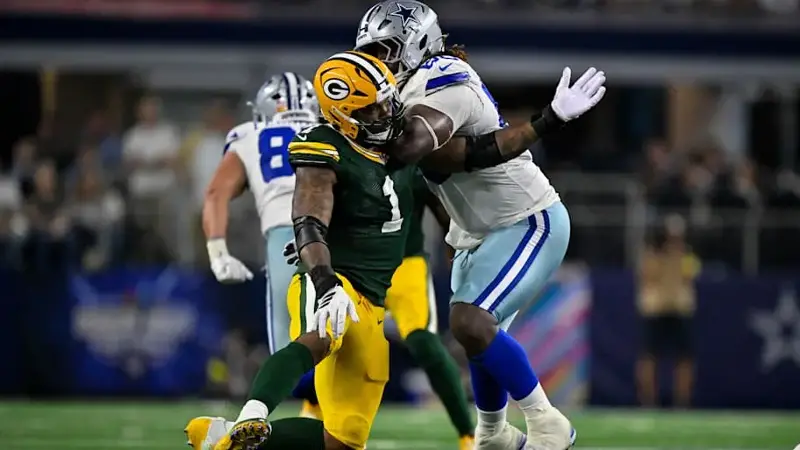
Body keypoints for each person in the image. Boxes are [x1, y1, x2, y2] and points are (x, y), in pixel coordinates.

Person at [354, 2, 607, 449]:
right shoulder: (401, 94)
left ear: (418, 45)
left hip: (527, 218)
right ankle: (492, 433)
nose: (378, 62)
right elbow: (448, 164)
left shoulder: (442, 75)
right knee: (479, 335)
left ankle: (547, 423)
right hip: (477, 231)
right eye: (370, 52)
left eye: (386, 50)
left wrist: (353, 127)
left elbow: (414, 144)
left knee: (470, 321)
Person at [212, 51, 417, 450]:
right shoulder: (323, 145)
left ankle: (218, 440)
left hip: (373, 300)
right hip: (334, 279)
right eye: (371, 109)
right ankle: (252, 412)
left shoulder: (400, 145)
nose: (385, 113)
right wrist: (325, 283)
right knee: (322, 333)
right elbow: (308, 219)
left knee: (342, 440)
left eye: (385, 102)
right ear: (342, 114)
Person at [284, 170, 476, 449]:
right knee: (331, 333)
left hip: (405, 265)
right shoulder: (347, 158)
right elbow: (320, 201)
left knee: (424, 342)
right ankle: (313, 404)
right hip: (355, 265)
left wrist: (459, 256)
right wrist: (310, 238)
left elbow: (446, 215)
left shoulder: (414, 165)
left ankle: (467, 433)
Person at [184, 73, 320, 450]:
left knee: (292, 349)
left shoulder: (250, 135)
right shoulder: (331, 128)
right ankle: (295, 418)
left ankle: (245, 424)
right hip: (337, 233)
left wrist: (217, 251)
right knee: (331, 340)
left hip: (285, 234)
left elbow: (216, 192)